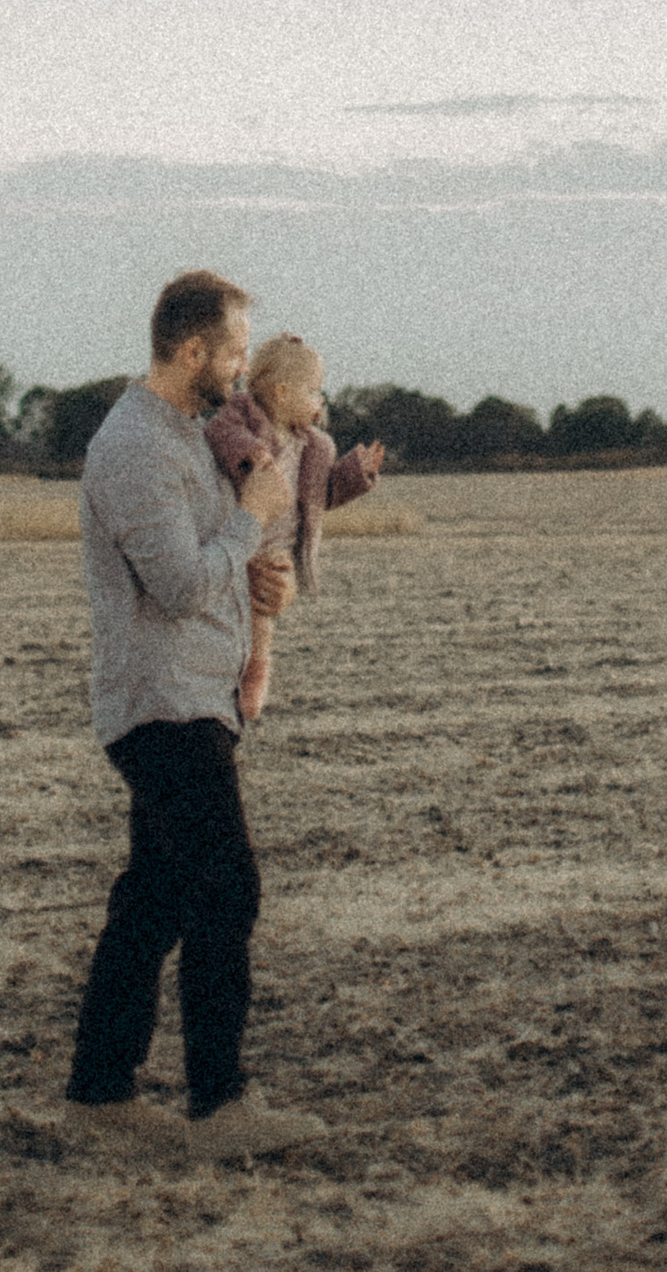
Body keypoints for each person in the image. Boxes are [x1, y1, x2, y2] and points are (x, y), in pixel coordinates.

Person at [62, 268, 324, 1151]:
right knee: (226, 886)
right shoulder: (136, 448)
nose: (246, 368)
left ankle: (99, 1096)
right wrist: (250, 519)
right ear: (190, 351)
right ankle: (221, 1106)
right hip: (160, 705)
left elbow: (215, 564)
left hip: (196, 699)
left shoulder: (184, 435)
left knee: (158, 896)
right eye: (236, 351)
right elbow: (176, 586)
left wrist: (265, 586)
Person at [202, 334, 386, 724]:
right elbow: (219, 432)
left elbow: (321, 497)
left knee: (262, 615)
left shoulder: (312, 446)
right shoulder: (243, 413)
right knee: (230, 614)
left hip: (278, 545)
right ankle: (225, 676)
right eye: (313, 392)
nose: (320, 401)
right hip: (238, 529)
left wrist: (356, 474)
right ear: (283, 392)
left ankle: (254, 676)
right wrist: (253, 453)